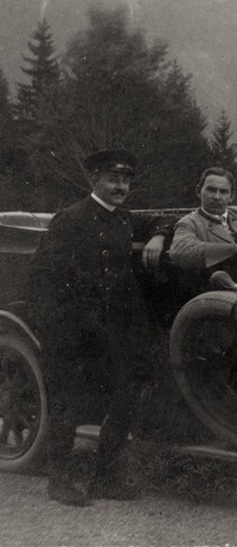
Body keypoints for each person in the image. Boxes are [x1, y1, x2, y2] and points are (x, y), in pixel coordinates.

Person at [23, 148, 148, 506]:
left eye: (125, 180)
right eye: (113, 179)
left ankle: (105, 478)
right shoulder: (71, 219)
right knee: (68, 404)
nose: (120, 186)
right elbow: (41, 278)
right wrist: (56, 330)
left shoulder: (123, 220)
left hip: (108, 330)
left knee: (124, 396)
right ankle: (58, 481)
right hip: (71, 331)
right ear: (94, 180)